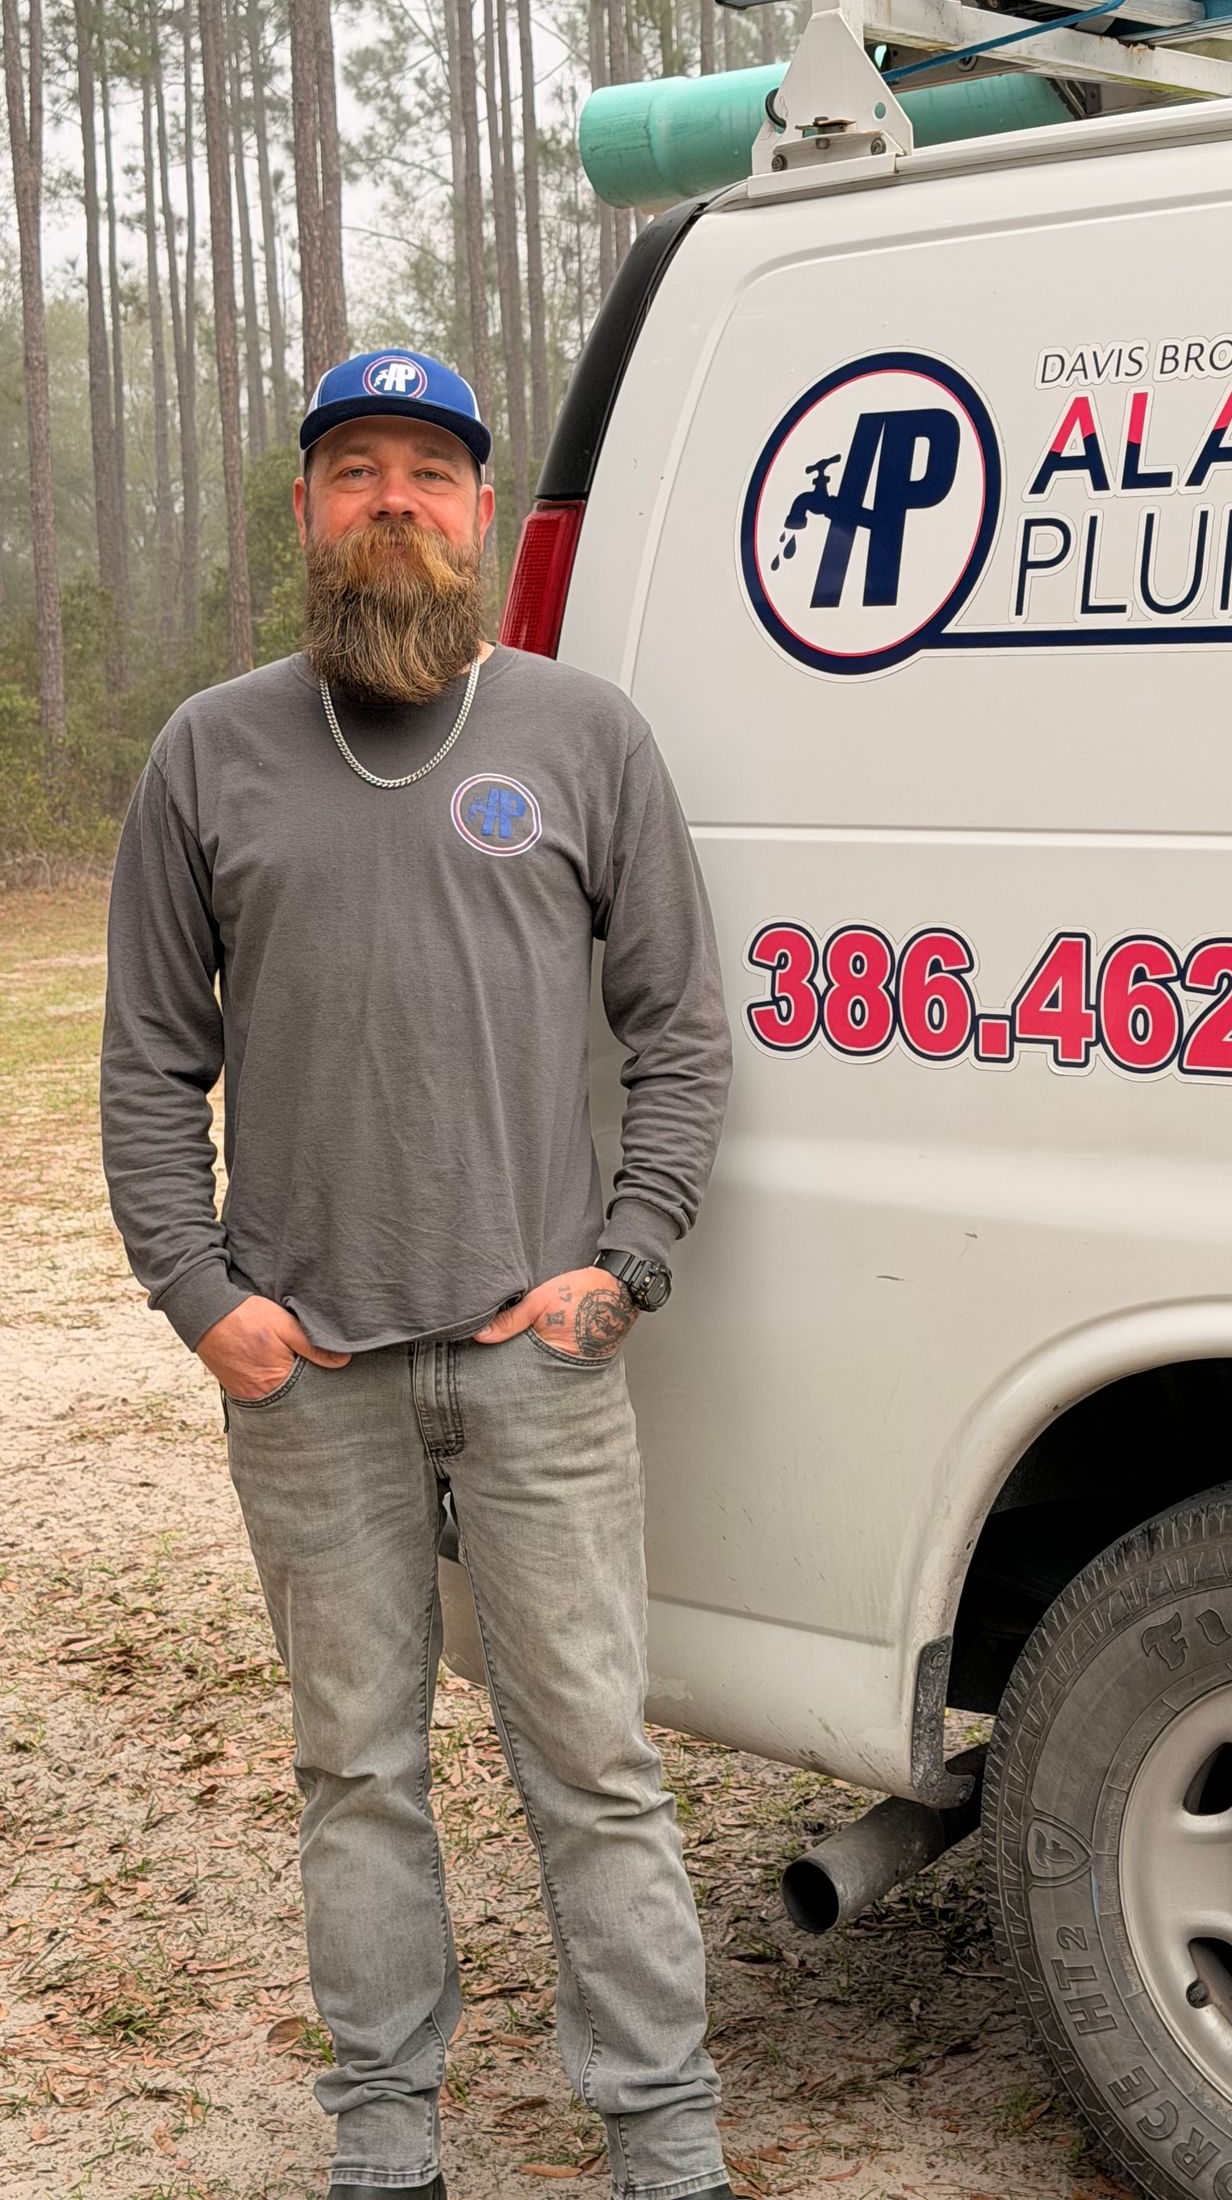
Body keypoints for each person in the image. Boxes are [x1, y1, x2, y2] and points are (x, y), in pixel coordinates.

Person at [99, 348, 737, 2200]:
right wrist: (202, 1298)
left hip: (538, 1355)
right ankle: (386, 2146)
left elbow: (682, 1032)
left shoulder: (581, 736)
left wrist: (619, 1269)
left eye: (429, 472)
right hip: (308, 1378)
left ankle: (664, 2138)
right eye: (355, 468)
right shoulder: (209, 751)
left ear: (480, 516)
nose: (393, 498)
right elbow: (147, 1058)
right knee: (357, 1773)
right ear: (306, 512)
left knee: (597, 1768)